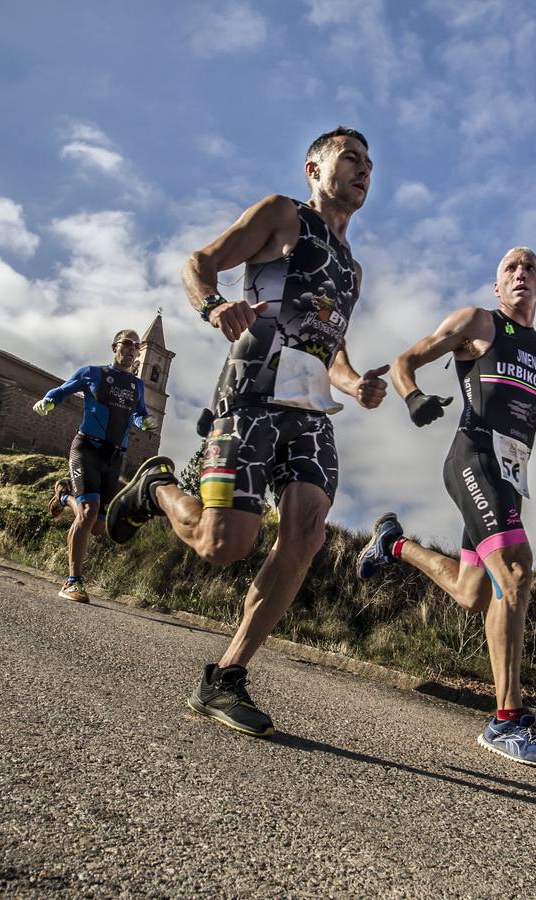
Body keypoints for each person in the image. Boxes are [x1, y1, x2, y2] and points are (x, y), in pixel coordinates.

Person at [106, 126, 386, 737]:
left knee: (307, 531)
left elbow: (330, 347)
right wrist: (213, 305)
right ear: (314, 168)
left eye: (370, 164)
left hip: (310, 411)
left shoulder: (353, 269)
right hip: (252, 394)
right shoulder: (283, 216)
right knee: (221, 546)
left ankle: (226, 676)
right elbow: (199, 263)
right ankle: (154, 487)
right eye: (350, 159)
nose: (364, 170)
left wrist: (354, 383)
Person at [356, 247, 536, 768]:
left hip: (509, 473)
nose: (521, 274)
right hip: (473, 459)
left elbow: (533, 407)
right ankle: (507, 720)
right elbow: (406, 360)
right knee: (517, 570)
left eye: (531, 269)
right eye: (511, 269)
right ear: (497, 287)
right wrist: (412, 396)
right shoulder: (478, 323)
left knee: (473, 590)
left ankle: (393, 543)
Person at [33, 329, 156, 603]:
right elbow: (63, 390)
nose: (131, 349)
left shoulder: (137, 386)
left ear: (138, 354)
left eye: (136, 347)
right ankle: (72, 582)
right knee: (88, 512)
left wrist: (143, 422)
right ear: (115, 347)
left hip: (114, 457)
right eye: (126, 344)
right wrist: (49, 401)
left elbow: (138, 413)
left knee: (98, 526)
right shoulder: (93, 373)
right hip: (87, 447)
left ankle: (64, 496)